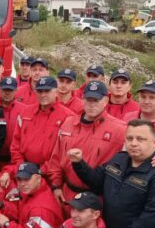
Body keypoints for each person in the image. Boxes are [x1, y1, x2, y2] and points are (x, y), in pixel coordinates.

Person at [45, 81, 127, 211]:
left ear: (105, 100)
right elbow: (56, 157)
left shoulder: (120, 129)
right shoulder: (68, 123)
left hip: (95, 198)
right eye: (88, 99)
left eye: (96, 100)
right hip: (67, 193)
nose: (91, 104)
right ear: (82, 99)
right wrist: (56, 186)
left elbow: (145, 144)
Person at [1, 76, 74, 185]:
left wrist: (41, 170)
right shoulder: (26, 112)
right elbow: (16, 143)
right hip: (23, 173)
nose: (43, 94)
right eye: (39, 91)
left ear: (56, 92)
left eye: (47, 91)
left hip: (49, 176)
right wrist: (22, 166)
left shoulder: (68, 117)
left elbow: (64, 153)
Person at [0, 77, 27, 166]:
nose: (7, 93)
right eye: (5, 89)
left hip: (16, 160)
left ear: (16, 91)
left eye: (10, 90)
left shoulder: (24, 110)